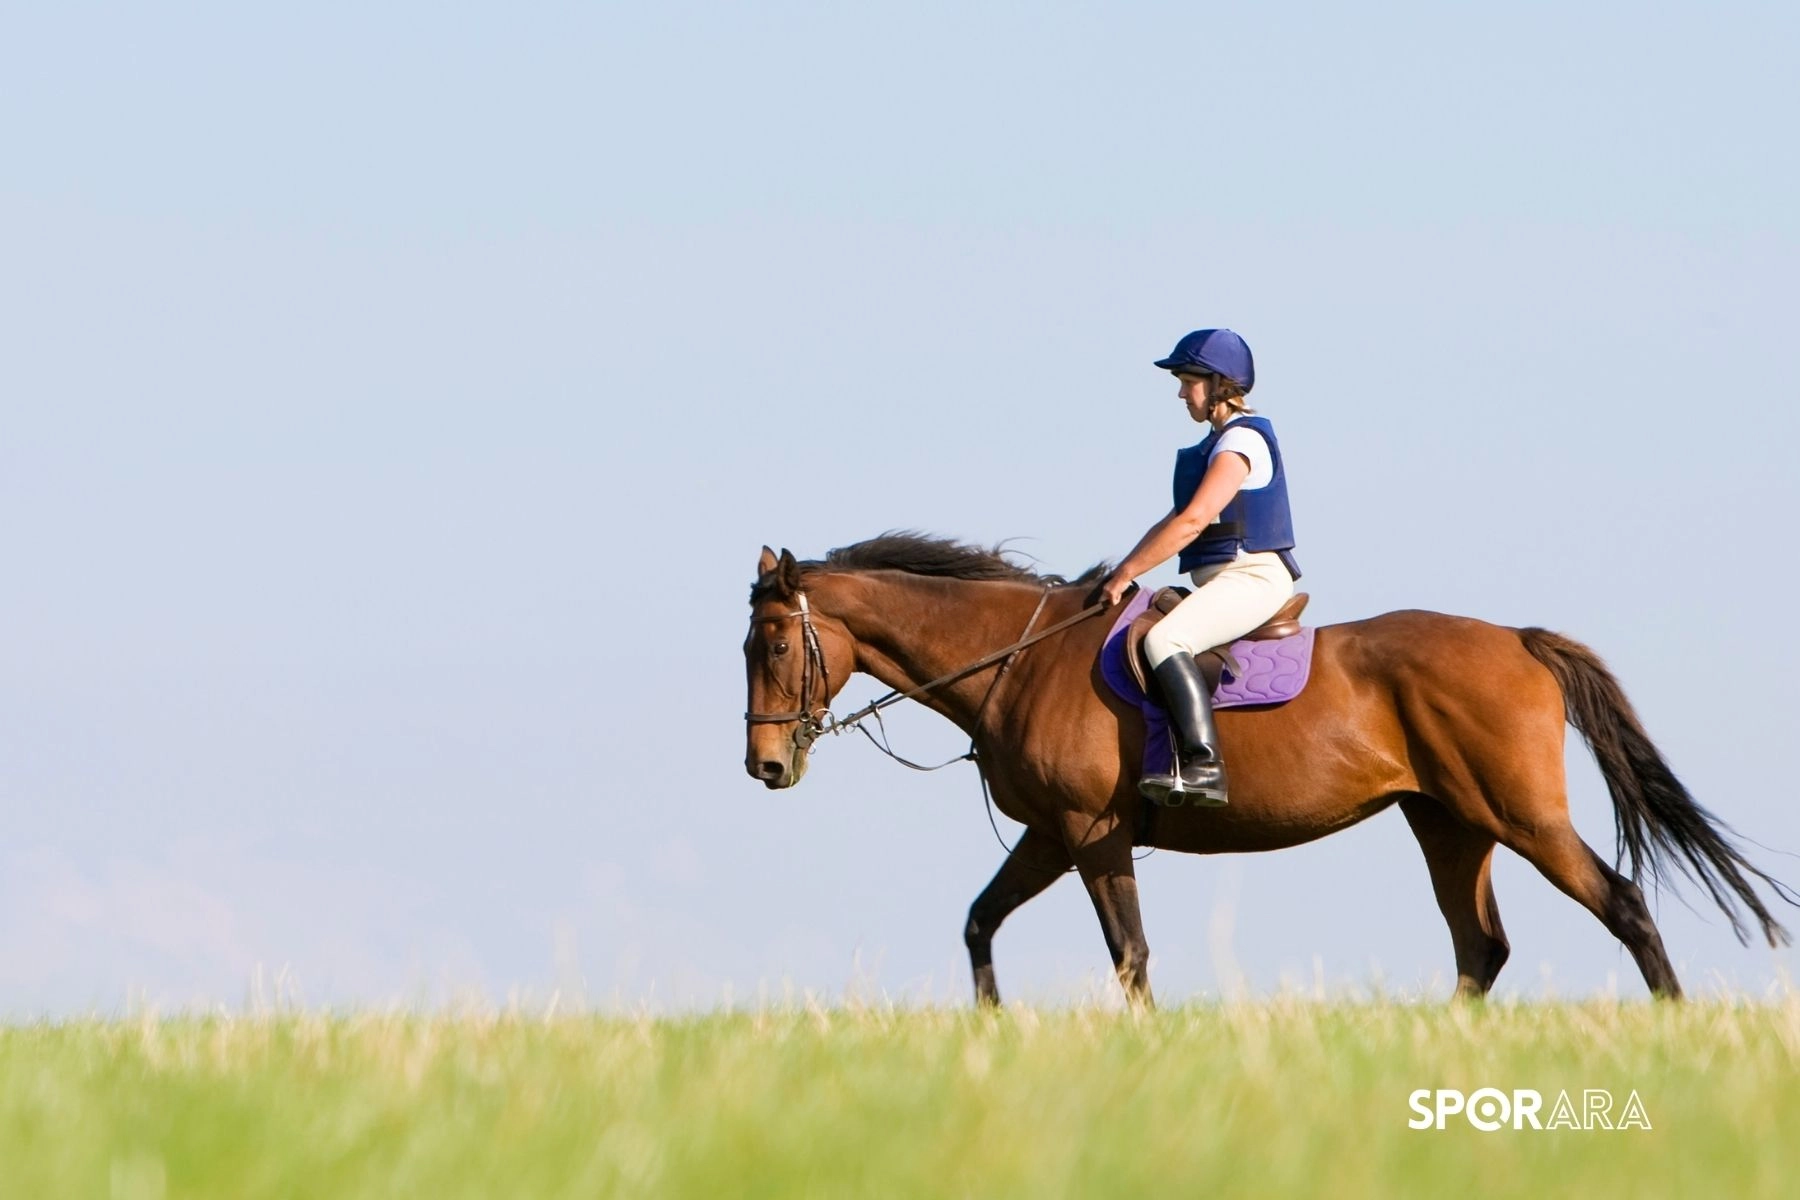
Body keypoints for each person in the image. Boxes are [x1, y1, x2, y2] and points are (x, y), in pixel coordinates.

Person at [1090, 329, 1301, 807]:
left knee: (1165, 639)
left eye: (1188, 382)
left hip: (1253, 576)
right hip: (1225, 578)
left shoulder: (1241, 440)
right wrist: (1124, 568)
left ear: (1219, 383)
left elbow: (1192, 522)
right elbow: (1172, 520)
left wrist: (1126, 575)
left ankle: (1204, 765)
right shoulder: (1217, 442)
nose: (1182, 393)